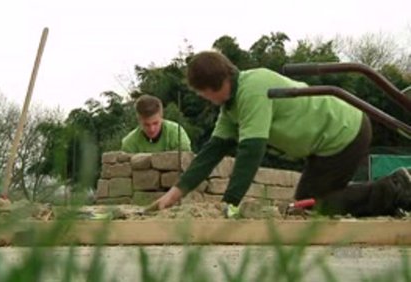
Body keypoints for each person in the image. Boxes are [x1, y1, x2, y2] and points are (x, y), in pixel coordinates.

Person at [148, 50, 411, 218]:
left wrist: (231, 202)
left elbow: (251, 150)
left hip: (344, 131)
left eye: (203, 93)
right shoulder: (230, 108)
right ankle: (389, 195)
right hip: (323, 146)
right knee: (306, 204)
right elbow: (211, 153)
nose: (204, 98)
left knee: (311, 205)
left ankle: (394, 190)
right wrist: (173, 195)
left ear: (214, 86)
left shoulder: (253, 89)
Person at [121, 94, 192, 153]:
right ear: (139, 121)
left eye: (155, 123)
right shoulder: (129, 143)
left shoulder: (177, 133)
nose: (152, 129)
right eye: (146, 125)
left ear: (162, 117)